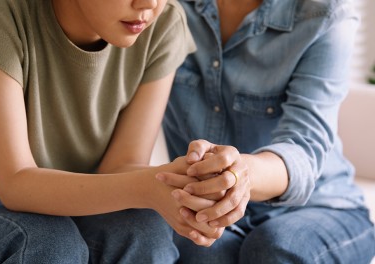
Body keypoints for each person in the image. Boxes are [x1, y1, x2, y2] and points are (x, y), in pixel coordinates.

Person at [0, 0, 223, 263]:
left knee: (144, 231)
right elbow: (14, 183)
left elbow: (121, 166)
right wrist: (146, 187)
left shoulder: (163, 22)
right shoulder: (0, 11)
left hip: (82, 202)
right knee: (45, 242)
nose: (149, 3)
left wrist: (181, 181)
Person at [159, 0, 375, 263]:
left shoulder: (325, 13)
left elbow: (304, 148)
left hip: (322, 206)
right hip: (208, 209)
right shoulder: (163, 7)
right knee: (201, 250)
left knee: (274, 247)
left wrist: (240, 174)